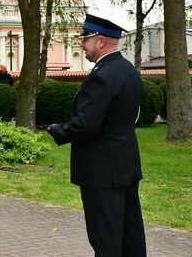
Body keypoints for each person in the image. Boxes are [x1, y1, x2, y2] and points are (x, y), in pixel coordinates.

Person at [46, 14, 146, 257]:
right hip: (125, 165)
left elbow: (86, 125)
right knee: (131, 235)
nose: (81, 44)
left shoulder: (101, 76)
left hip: (101, 171)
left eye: (85, 39)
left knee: (106, 238)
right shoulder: (128, 70)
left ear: (100, 41)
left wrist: (57, 130)